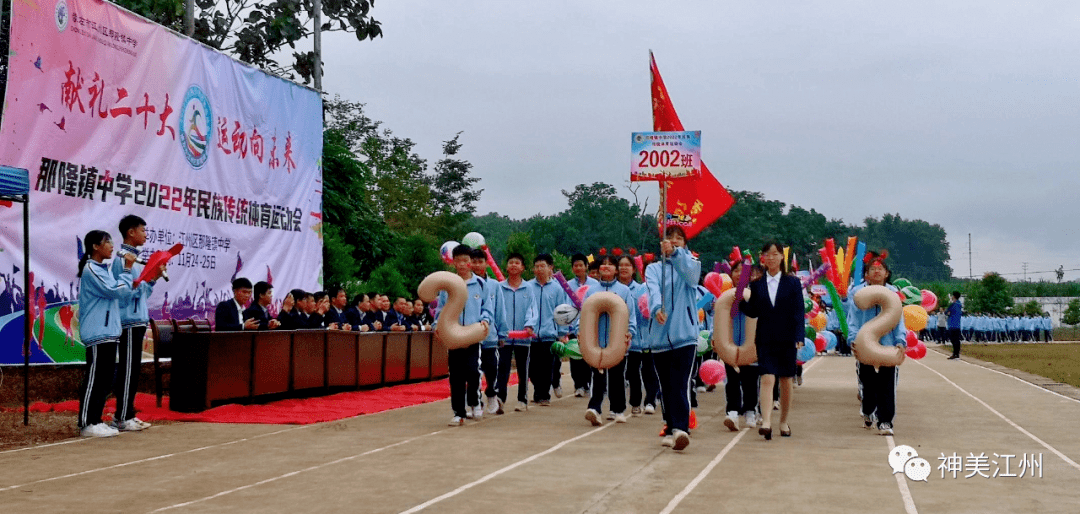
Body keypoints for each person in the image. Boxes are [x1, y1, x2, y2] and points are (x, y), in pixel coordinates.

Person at [740, 241, 804, 441]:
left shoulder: (792, 283)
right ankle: (766, 422)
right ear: (763, 258)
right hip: (766, 337)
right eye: (767, 254)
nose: (771, 258)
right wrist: (743, 299)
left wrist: (799, 336)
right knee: (767, 378)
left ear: (781, 257)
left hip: (787, 338)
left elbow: (798, 311)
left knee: (785, 380)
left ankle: (783, 421)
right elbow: (753, 312)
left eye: (775, 254)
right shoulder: (757, 284)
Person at [77, 230, 138, 437]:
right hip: (97, 332)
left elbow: (122, 295)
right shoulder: (91, 269)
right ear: (95, 246)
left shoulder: (103, 270)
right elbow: (116, 291)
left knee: (105, 379)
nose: (112, 246)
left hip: (109, 332)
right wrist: (128, 270)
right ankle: (87, 422)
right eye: (107, 242)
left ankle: (96, 420)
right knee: (95, 377)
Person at [645, 226, 701, 451]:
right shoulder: (653, 269)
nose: (675, 241)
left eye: (679, 239)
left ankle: (681, 429)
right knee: (665, 386)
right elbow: (652, 289)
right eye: (670, 238)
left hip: (685, 336)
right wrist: (657, 307)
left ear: (685, 244)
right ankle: (669, 425)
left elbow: (692, 278)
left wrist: (677, 255)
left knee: (680, 384)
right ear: (662, 243)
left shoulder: (691, 264)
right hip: (659, 338)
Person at [109, 215, 164, 432]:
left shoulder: (134, 259)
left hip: (137, 320)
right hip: (128, 321)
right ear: (131, 232)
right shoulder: (123, 260)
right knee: (128, 369)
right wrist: (146, 281)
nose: (145, 235)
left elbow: (141, 292)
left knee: (132, 369)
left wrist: (152, 278)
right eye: (143, 230)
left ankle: (127, 413)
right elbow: (124, 294)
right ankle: (122, 416)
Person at [845, 251, 907, 436]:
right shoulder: (858, 294)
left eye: (880, 268)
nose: (877, 272)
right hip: (865, 346)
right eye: (873, 269)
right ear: (866, 274)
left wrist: (900, 341)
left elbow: (899, 320)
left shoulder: (893, 294)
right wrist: (852, 339)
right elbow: (853, 319)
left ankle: (885, 421)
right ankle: (867, 409)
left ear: (887, 273)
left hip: (888, 345)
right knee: (868, 384)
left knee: (887, 384)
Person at [437, 244, 492, 425]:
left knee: (472, 370)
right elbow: (440, 310)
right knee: (456, 376)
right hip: (453, 335)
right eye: (458, 261)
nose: (462, 264)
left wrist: (485, 321)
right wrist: (436, 327)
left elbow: (487, 308)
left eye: (465, 261)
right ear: (454, 263)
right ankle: (459, 412)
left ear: (470, 263)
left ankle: (475, 402)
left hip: (472, 335)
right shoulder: (448, 285)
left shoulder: (481, 284)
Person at [583, 255, 636, 425]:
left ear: (616, 269)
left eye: (610, 264)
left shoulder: (624, 291)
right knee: (597, 376)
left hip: (617, 342)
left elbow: (631, 316)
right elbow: (583, 316)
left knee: (617, 376)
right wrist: (580, 334)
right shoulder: (591, 291)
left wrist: (630, 333)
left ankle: (618, 409)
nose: (606, 267)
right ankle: (595, 408)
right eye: (603, 264)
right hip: (596, 341)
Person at [524, 253, 570, 407]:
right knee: (532, 368)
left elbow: (561, 311)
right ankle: (538, 390)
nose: (539, 269)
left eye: (542, 266)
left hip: (549, 334)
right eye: (536, 266)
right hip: (531, 334)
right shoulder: (528, 286)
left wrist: (562, 333)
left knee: (546, 366)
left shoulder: (557, 289)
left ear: (550, 268)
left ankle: (544, 395)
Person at [619, 254, 659, 417]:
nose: (623, 268)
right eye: (620, 265)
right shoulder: (615, 290)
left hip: (644, 337)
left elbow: (648, 313)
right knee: (630, 372)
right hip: (620, 339)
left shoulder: (642, 289)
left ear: (634, 269)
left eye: (627, 265)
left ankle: (650, 400)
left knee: (648, 371)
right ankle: (634, 402)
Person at [723, 258, 760, 431]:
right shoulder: (725, 295)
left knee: (750, 380)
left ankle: (750, 410)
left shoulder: (756, 293)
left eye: (742, 271)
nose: (739, 274)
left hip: (751, 345)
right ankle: (732, 411)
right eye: (735, 270)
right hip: (730, 343)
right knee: (732, 379)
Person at [471, 248, 509, 414]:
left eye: (480, 261)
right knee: (473, 370)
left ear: (486, 264)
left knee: (492, 367)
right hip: (470, 336)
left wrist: (502, 333)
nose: (477, 265)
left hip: (490, 335)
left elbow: (500, 309)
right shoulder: (465, 283)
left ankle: (492, 394)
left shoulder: (494, 285)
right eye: (474, 261)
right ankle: (475, 401)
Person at [497, 252, 534, 412]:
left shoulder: (529, 288)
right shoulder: (500, 287)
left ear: (523, 267)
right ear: (506, 266)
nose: (513, 265)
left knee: (522, 369)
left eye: (517, 263)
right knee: (502, 367)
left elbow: (532, 309)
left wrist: (529, 325)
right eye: (511, 262)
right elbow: (497, 309)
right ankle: (500, 398)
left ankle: (522, 399)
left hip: (523, 336)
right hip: (505, 336)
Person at [566, 253, 600, 398]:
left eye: (581, 265)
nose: (578, 268)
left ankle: (587, 382)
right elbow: (565, 304)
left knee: (588, 356)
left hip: (590, 325)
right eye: (575, 265)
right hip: (574, 325)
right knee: (575, 356)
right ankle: (578, 384)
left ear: (586, 266)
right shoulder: (567, 285)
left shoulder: (595, 284)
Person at [946, 291, 963, 359]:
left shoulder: (953, 304)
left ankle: (955, 354)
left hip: (952, 325)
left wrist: (951, 303)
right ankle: (957, 354)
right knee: (956, 340)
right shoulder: (959, 304)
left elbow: (946, 312)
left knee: (953, 340)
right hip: (957, 325)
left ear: (954, 296)